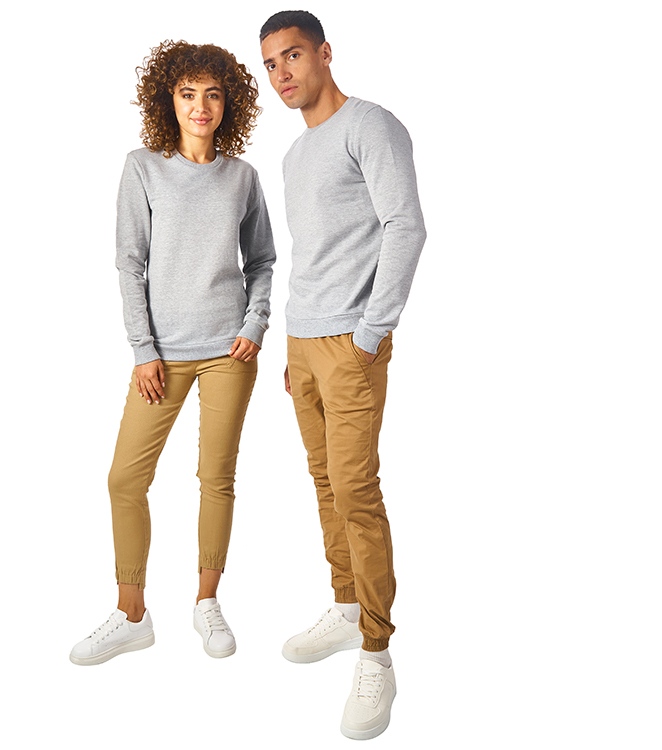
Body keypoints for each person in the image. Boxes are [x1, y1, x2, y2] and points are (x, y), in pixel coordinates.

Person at [69, 40, 275, 666]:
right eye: (188, 94)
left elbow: (262, 261)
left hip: (229, 352)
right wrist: (143, 349)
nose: (200, 106)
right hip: (161, 354)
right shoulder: (143, 168)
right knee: (125, 478)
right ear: (170, 100)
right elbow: (129, 263)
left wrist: (256, 323)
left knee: (217, 477)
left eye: (213, 94)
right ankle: (132, 613)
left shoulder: (243, 177)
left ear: (229, 103)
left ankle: (207, 602)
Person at [259, 10, 426, 740]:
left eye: (292, 55)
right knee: (325, 483)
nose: (282, 73)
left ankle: (378, 652)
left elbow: (406, 226)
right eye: (271, 64)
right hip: (304, 343)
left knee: (356, 488)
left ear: (324, 53)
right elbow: (313, 256)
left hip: (352, 344)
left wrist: (368, 335)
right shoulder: (294, 156)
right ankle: (346, 603)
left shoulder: (371, 126)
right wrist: (293, 347)